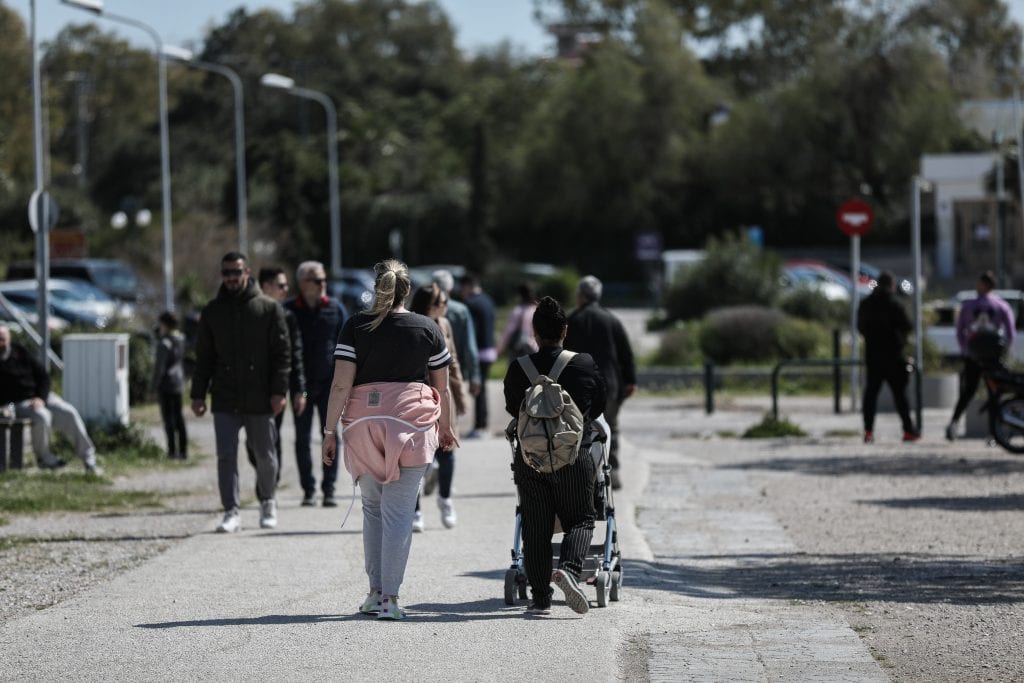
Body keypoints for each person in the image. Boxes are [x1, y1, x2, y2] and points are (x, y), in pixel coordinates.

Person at [322, 259, 458, 621]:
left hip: (363, 426)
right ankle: (391, 601)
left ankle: (374, 592)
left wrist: (328, 431)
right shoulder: (428, 328)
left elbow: (340, 384)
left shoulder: (355, 326)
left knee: (372, 510)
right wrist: (446, 427)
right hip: (412, 426)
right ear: (407, 290)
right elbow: (442, 387)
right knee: (399, 514)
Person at [503, 296, 606, 616]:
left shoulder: (519, 368)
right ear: (565, 329)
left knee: (536, 526)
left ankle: (540, 598)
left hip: (531, 459)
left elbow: (512, 409)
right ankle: (571, 572)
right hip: (574, 455)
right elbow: (599, 405)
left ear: (534, 332)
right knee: (581, 518)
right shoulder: (584, 363)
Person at [191, 252, 290, 533]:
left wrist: (278, 391)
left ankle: (268, 501)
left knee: (265, 454)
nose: (231, 278)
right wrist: (198, 395)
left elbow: (282, 355)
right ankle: (230, 510)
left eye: (236, 271)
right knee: (226, 456)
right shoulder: (212, 312)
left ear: (247, 271)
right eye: (226, 273)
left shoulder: (269, 308)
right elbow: (204, 358)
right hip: (224, 397)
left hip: (260, 396)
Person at [285, 261, 348, 507]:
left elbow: (346, 348)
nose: (323, 284)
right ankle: (309, 489)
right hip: (300, 385)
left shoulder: (335, 308)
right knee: (302, 439)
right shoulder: (289, 310)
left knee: (331, 434)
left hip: (329, 386)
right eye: (317, 280)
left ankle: (329, 488)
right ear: (303, 283)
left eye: (324, 279)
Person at [564, 275, 636, 490]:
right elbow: (626, 354)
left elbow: (562, 354)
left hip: (579, 386)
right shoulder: (611, 320)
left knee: (581, 429)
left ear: (580, 296)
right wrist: (631, 380)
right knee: (610, 427)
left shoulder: (572, 321)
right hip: (610, 384)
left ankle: (584, 474)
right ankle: (612, 471)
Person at [0, 323, 101, 474]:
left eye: (3, 338)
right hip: (18, 403)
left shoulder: (20, 351)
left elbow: (43, 377)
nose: (1, 341)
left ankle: (89, 458)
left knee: (69, 412)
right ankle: (45, 458)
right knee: (42, 416)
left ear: (9, 337)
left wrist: (41, 397)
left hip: (41, 397)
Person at [409, 284, 466, 531]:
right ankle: (415, 510)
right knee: (417, 457)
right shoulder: (412, 326)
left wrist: (460, 395)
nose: (445, 305)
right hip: (419, 398)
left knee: (447, 450)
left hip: (444, 395)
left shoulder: (444, 324)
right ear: (427, 305)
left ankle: (445, 499)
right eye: (440, 301)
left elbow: (453, 363)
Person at [245, 267, 307, 489]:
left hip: (276, 388)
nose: (286, 289)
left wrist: (300, 390)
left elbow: (295, 354)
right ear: (266, 286)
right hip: (251, 386)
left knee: (273, 436)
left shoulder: (288, 316)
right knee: (252, 442)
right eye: (281, 285)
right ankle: (266, 473)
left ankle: (268, 486)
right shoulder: (249, 312)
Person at [945, 270, 1017, 441]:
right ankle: (994, 432)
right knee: (994, 393)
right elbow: (1010, 333)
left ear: (985, 285)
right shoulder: (1002, 306)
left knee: (968, 390)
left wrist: (965, 349)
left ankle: (954, 423)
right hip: (992, 356)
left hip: (974, 355)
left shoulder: (969, 305)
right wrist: (1004, 351)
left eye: (979, 283)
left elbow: (960, 330)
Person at [856, 271, 919, 443]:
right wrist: (899, 341)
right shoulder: (895, 304)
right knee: (900, 396)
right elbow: (907, 326)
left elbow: (860, 327)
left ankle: (868, 431)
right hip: (894, 356)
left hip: (873, 355)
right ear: (891, 285)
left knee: (870, 396)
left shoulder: (866, 304)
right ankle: (908, 430)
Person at [461, 273, 496, 438]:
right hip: (490, 350)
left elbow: (470, 331)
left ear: (468, 286)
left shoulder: (470, 303)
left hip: (479, 352)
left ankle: (480, 426)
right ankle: (483, 424)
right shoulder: (488, 300)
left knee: (477, 390)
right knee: (482, 389)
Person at [150, 311, 187, 460]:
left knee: (169, 420)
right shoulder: (181, 339)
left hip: (166, 384)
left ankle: (172, 452)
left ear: (164, 324)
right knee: (179, 418)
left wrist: (153, 387)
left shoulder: (163, 344)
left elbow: (159, 368)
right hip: (178, 382)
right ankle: (183, 451)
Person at [497, 283, 538, 360]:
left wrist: (499, 349)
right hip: (535, 348)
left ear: (519, 295)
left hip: (519, 350)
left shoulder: (517, 311)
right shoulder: (536, 310)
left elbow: (509, 331)